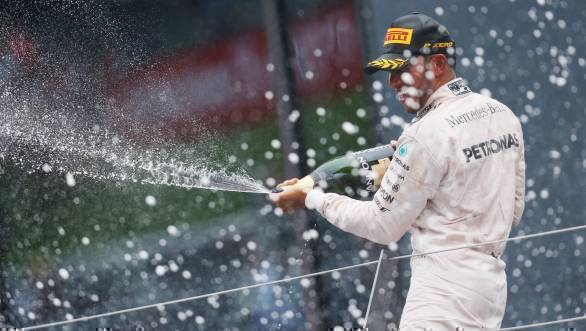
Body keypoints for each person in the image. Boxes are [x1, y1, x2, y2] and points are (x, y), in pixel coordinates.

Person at [271, 12, 526, 330]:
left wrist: (312, 198)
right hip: (489, 291)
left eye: (403, 70)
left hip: (440, 299)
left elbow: (381, 226)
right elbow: (512, 211)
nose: (393, 83)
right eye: (389, 73)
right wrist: (423, 184)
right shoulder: (503, 114)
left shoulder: (424, 134)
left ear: (438, 64)